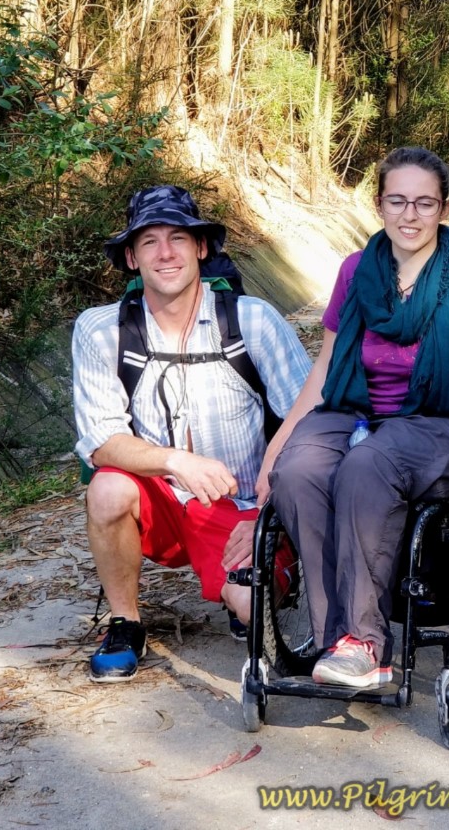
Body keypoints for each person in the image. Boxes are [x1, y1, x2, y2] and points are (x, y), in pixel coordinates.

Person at [221, 147, 449, 689]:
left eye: (424, 203)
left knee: (369, 463)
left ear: (444, 208)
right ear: (379, 205)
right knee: (297, 471)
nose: (409, 215)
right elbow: (325, 367)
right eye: (397, 201)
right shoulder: (355, 273)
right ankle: (335, 639)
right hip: (361, 408)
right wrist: (280, 444)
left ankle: (364, 642)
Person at [73, 185, 311, 682]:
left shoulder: (253, 322)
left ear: (202, 248)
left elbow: (312, 425)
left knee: (251, 608)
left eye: (178, 238)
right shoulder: (101, 331)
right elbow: (102, 442)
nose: (165, 253)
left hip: (245, 509)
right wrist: (176, 461)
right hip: (164, 499)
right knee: (108, 486)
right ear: (131, 259)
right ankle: (125, 624)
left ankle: (250, 584)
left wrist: (277, 511)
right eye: (149, 242)